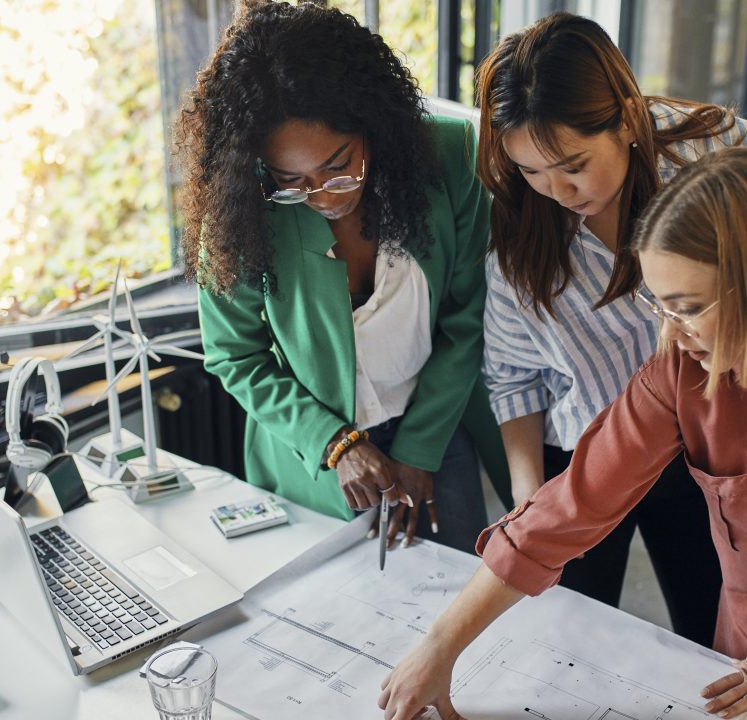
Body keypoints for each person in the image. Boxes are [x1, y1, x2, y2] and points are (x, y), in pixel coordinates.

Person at [380, 149, 747, 720]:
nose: (671, 334)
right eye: (659, 306)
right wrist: (440, 646)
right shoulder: (681, 370)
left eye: (689, 307)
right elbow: (573, 502)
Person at [476, 12, 747, 640]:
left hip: (715, 448)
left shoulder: (722, 152)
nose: (555, 189)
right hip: (586, 451)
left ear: (626, 118)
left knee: (715, 630)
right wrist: (530, 499)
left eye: (574, 164)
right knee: (567, 636)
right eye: (531, 169)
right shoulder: (523, 226)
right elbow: (512, 376)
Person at [172, 1, 508, 551]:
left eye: (338, 165)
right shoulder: (240, 212)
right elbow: (235, 356)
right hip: (317, 451)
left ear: (373, 124)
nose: (323, 197)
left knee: (460, 590)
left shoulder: (448, 159)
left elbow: (468, 319)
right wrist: (336, 444)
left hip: (436, 423)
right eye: (292, 179)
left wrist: (420, 449)